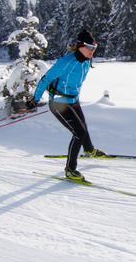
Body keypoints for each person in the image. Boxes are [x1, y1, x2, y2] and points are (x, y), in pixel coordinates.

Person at [33, 29, 108, 181]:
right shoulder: (66, 62)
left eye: (94, 48)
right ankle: (70, 170)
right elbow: (45, 79)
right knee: (79, 133)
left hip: (73, 101)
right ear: (80, 46)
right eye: (90, 47)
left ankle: (89, 150)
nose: (92, 51)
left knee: (83, 127)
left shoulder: (86, 62)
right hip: (59, 103)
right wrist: (34, 100)